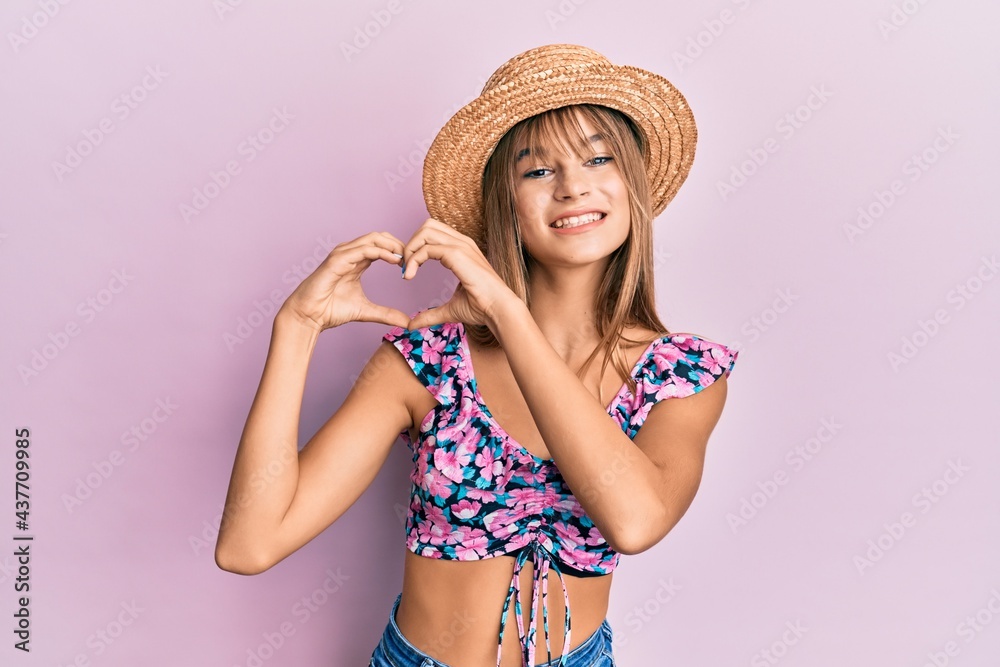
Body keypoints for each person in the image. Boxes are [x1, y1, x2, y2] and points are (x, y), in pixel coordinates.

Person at [215, 43, 739, 667]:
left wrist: (506, 312)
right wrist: (296, 327)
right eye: (537, 171)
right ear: (505, 203)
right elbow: (248, 546)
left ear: (633, 186)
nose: (572, 187)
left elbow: (634, 521)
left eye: (599, 159)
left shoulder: (682, 374)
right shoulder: (425, 363)